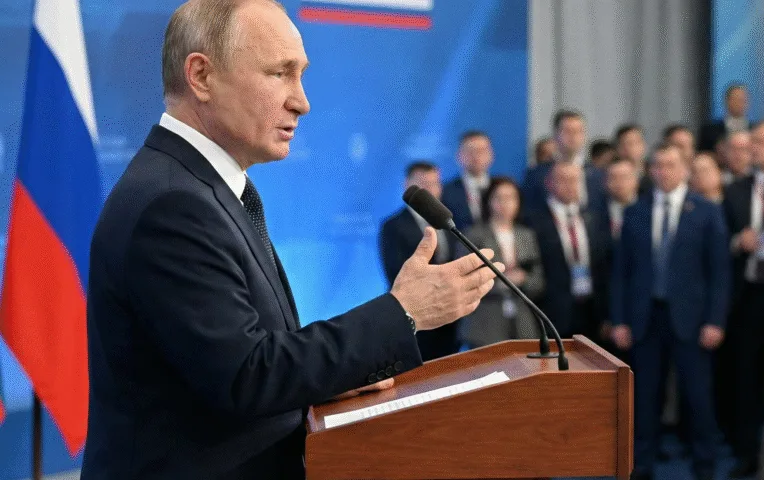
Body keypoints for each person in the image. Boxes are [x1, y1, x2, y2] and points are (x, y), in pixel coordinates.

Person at [84, 1, 501, 477]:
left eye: (299, 75)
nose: (302, 101)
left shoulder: (200, 187)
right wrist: (404, 311)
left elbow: (247, 359)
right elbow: (246, 376)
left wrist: (329, 382)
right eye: (280, 74)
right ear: (201, 76)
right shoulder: (172, 204)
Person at [611, 144, 731, 480]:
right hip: (646, 319)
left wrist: (715, 320)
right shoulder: (635, 212)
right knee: (645, 399)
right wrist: (619, 319)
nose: (664, 172)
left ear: (684, 169)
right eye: (658, 166)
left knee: (697, 397)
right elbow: (622, 272)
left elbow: (719, 273)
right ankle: (642, 465)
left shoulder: (706, 211)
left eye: (671, 165)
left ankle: (704, 465)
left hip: (692, 321)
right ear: (650, 170)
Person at [720, 121, 764, 475]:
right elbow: (720, 243)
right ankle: (747, 452)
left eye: (761, 142)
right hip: (747, 294)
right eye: (751, 143)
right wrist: (737, 243)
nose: (754, 149)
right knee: (745, 374)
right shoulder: (735, 190)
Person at [379, 162, 462, 360]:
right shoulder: (393, 226)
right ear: (407, 186)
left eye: (435, 183)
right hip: (415, 318)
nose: (430, 190)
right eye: (423, 184)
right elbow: (396, 273)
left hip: (450, 319)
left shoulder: (449, 221)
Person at [459, 178, 544, 349]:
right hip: (485, 323)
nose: (505, 204)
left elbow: (538, 281)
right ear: (488, 201)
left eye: (511, 198)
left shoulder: (526, 235)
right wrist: (504, 282)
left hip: (523, 322)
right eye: (499, 198)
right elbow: (465, 282)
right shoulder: (473, 235)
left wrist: (523, 279)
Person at [526, 162, 608, 339]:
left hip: (591, 310)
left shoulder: (592, 217)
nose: (570, 185)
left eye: (575, 180)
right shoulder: (533, 220)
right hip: (552, 311)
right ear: (549, 183)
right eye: (563, 180)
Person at [523, 110, 606, 217]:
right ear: (555, 135)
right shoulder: (536, 174)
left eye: (578, 131)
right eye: (568, 131)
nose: (573, 136)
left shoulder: (597, 174)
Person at [442, 130, 494, 231]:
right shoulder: (446, 192)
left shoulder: (502, 188)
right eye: (470, 151)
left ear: (491, 155)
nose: (476, 156)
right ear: (459, 155)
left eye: (481, 151)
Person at [700, 83, 750, 152]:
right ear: (727, 101)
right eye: (736, 99)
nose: (740, 103)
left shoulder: (755, 130)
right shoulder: (710, 131)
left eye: (743, 100)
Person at [605, 157, 641, 241]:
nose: (619, 182)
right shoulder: (597, 215)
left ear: (636, 180)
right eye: (613, 178)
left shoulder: (648, 210)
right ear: (606, 182)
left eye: (624, 177)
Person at [614, 123, 653, 195]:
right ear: (618, 148)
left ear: (644, 145)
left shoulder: (654, 173)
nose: (632, 148)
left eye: (636, 142)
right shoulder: (611, 175)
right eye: (627, 143)